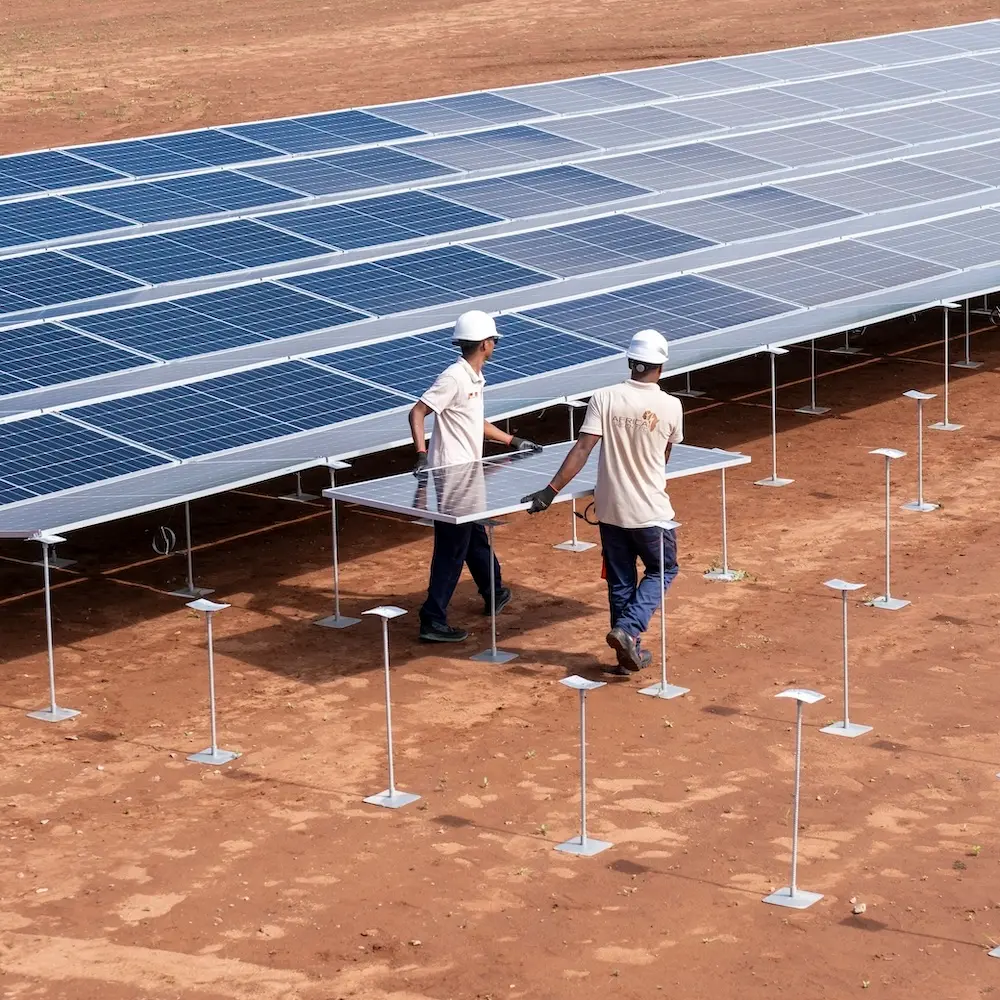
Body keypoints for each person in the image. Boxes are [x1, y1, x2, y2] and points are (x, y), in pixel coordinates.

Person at [521, 329, 683, 675]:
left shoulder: (604, 397)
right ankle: (628, 631)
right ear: (661, 367)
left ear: (629, 362)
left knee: (621, 581)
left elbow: (582, 448)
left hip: (611, 511)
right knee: (663, 569)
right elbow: (664, 455)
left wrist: (550, 491)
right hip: (651, 511)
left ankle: (626, 656)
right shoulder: (671, 405)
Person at [409, 310, 541, 643]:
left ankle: (494, 590)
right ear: (485, 344)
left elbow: (474, 421)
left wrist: (513, 441)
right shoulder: (454, 376)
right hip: (451, 475)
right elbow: (417, 411)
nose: (495, 345)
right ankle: (432, 618)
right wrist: (422, 455)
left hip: (468, 472)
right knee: (452, 547)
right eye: (493, 341)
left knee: (474, 534)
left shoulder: (474, 377)